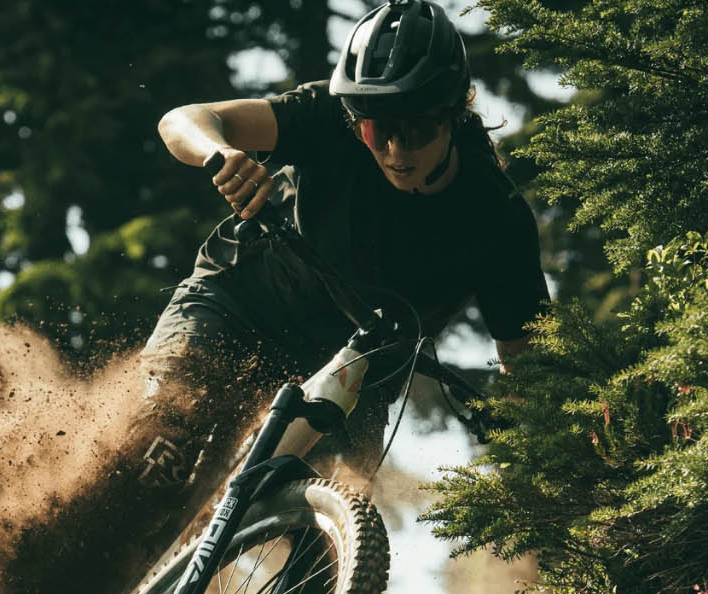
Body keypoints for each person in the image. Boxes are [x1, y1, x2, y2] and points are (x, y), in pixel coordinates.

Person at [90, 1, 550, 588]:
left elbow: (529, 360)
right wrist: (223, 153)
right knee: (166, 428)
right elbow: (187, 117)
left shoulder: (497, 220)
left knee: (325, 552)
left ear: (455, 115)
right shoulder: (326, 116)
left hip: (355, 379)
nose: (395, 150)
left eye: (416, 129)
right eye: (376, 130)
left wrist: (533, 442)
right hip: (238, 307)